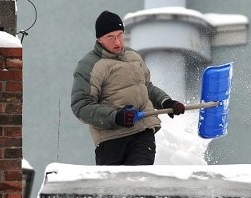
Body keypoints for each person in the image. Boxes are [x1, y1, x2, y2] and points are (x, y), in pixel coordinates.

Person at [71, 10, 186, 165]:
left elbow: (146, 87)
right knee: (114, 188)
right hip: (110, 141)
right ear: (99, 39)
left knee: (139, 181)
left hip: (143, 133)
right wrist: (116, 117)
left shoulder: (133, 57)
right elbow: (81, 106)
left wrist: (167, 102)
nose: (117, 42)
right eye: (110, 37)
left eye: (120, 35)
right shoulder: (90, 65)